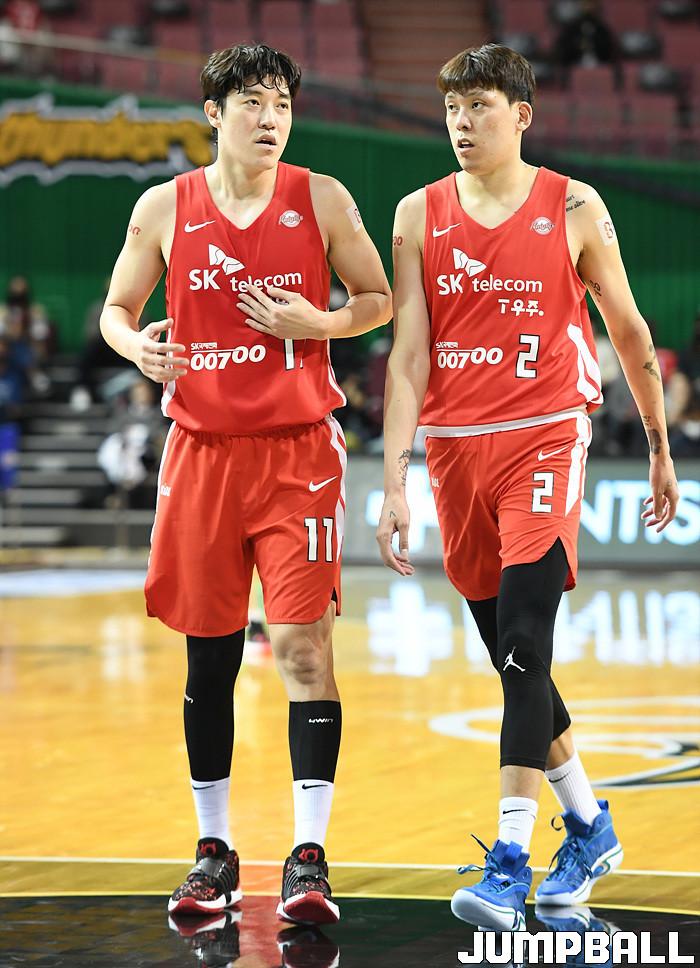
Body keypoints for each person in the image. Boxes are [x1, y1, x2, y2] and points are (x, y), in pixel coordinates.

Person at [376, 43, 678, 932]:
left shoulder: (575, 205)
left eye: (479, 106)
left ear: (522, 115)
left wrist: (658, 446)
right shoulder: (416, 212)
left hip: (545, 436)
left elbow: (629, 331)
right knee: (518, 665)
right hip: (454, 451)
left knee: (520, 643)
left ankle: (508, 861)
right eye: (452, 109)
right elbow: (409, 356)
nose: (462, 123)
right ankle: (589, 825)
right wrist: (394, 479)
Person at [100, 43, 391, 925]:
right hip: (202, 455)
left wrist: (321, 322)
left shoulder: (323, 197)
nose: (271, 120)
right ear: (214, 113)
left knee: (303, 650)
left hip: (298, 455)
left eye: (283, 105)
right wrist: (137, 347)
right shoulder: (164, 207)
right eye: (254, 103)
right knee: (211, 659)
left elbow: (378, 299)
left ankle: (308, 857)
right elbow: (116, 310)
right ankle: (214, 852)